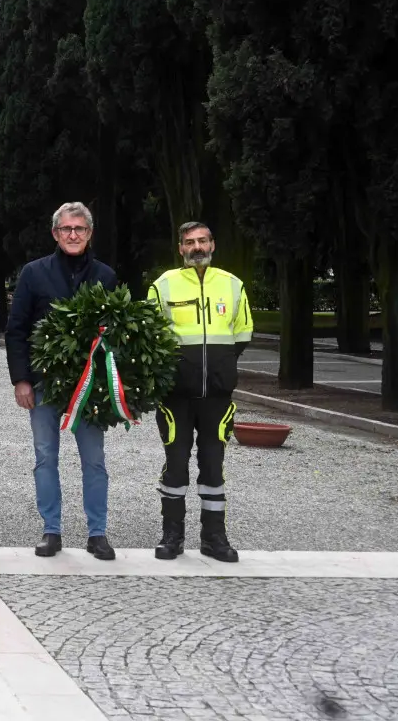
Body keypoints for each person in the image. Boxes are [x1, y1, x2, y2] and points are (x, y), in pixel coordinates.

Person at [6, 202, 118, 560]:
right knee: (45, 457)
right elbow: (17, 329)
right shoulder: (34, 273)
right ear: (55, 234)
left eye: (80, 229)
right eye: (66, 229)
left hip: (91, 387)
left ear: (89, 233)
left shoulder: (106, 276)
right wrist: (21, 379)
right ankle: (51, 530)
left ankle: (97, 533)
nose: (73, 235)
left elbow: (116, 333)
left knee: (95, 461)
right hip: (42, 384)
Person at [148, 221, 253, 563]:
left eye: (203, 241)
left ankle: (214, 537)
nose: (197, 247)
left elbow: (242, 335)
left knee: (213, 466)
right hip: (176, 396)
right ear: (180, 248)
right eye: (190, 242)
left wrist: (218, 368)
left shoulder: (233, 285)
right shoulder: (164, 285)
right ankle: (172, 535)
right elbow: (151, 338)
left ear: (213, 244)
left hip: (218, 396)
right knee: (175, 464)